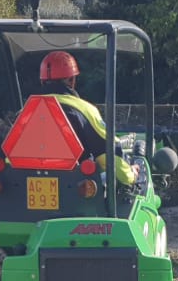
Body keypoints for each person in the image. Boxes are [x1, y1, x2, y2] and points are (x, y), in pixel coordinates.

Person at [38, 51, 138, 187]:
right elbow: (108, 154)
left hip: (25, 191)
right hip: (77, 189)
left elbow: (11, 158)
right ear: (72, 80)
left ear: (42, 81)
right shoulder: (85, 110)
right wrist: (130, 175)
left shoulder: (24, 113)